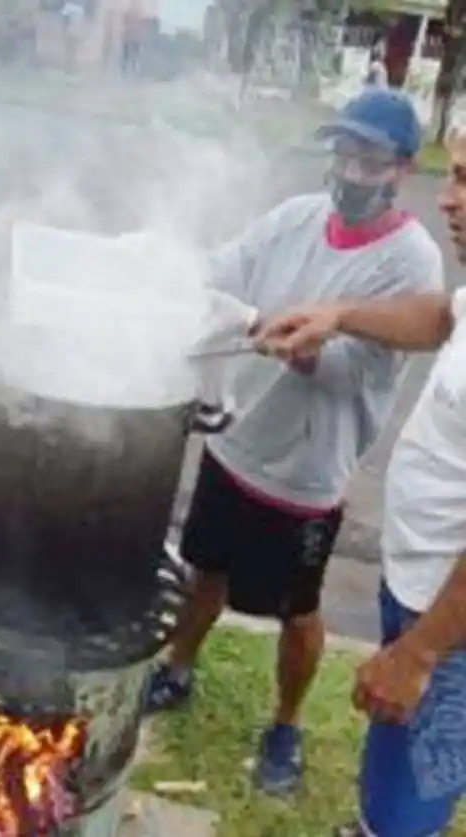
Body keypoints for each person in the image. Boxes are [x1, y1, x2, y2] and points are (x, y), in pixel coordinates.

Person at [145, 86, 444, 796]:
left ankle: (286, 722)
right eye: (342, 153)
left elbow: (366, 375)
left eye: (368, 160)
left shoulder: (414, 263)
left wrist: (311, 347)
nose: (349, 172)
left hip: (308, 475)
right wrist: (163, 266)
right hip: (236, 443)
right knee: (202, 572)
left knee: (299, 611)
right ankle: (177, 668)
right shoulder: (295, 219)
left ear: (401, 169)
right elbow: (222, 269)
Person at [250, 121, 466, 836]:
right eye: (455, 175)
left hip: (452, 624)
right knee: (393, 746)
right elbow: (439, 315)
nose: (449, 200)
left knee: (417, 780)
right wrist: (338, 315)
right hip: (419, 581)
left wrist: (421, 649)